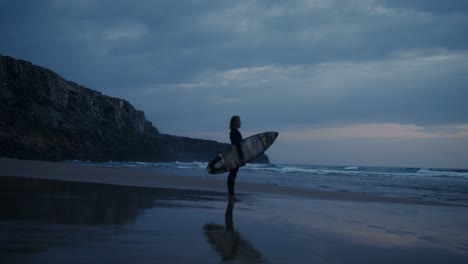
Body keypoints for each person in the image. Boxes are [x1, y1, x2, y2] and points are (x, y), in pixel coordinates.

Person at [228, 115, 244, 201]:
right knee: (232, 176)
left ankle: (231, 195)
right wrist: (242, 158)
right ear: (235, 122)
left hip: (234, 155)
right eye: (239, 121)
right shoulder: (235, 132)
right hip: (235, 156)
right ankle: (231, 196)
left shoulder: (233, 132)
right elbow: (238, 146)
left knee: (232, 175)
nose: (240, 123)